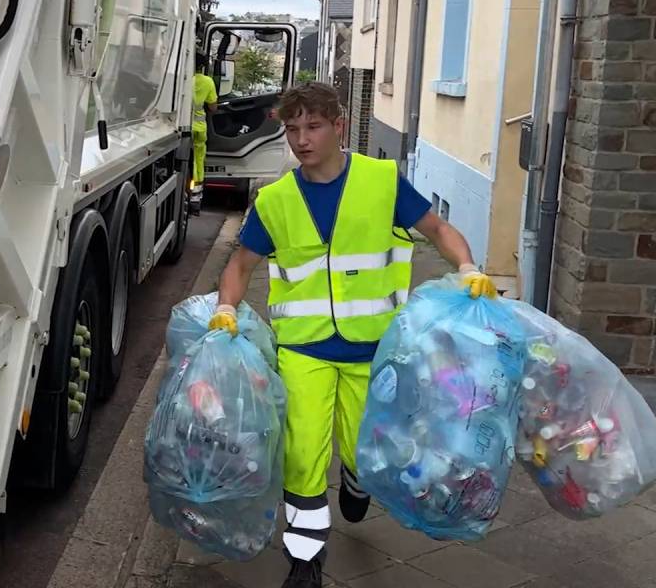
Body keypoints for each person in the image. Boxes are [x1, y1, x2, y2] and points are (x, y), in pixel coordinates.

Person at [207, 82, 496, 588]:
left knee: (364, 448)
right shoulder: (275, 201)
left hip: (374, 348)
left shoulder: (382, 181)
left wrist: (469, 267)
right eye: (292, 128)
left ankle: (358, 484)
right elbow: (241, 264)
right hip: (303, 349)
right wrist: (226, 309)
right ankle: (305, 559)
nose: (301, 139)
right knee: (302, 455)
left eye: (313, 126)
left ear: (339, 126)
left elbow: (437, 230)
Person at [191, 53, 218, 212]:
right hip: (200, 128)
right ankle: (196, 196)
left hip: (182, 127)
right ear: (202, 66)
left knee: (190, 160)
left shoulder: (183, 79)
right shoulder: (207, 81)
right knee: (199, 159)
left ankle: (190, 189)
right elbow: (213, 107)